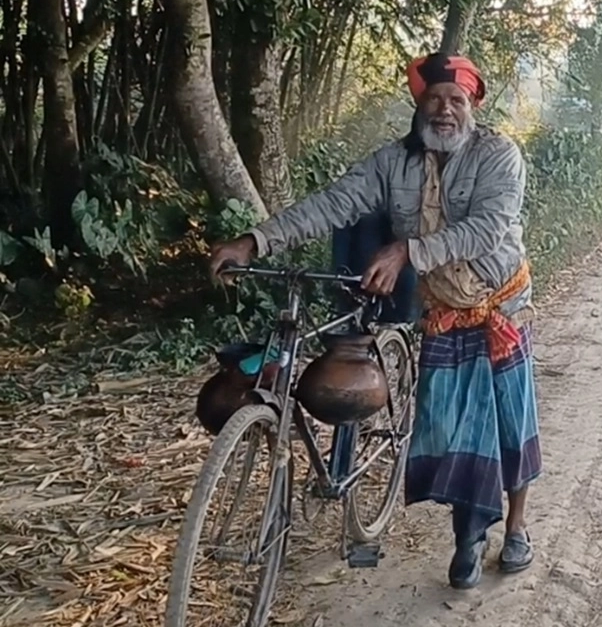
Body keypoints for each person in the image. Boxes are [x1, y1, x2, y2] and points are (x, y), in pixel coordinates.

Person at [208, 53, 541, 590]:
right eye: (434, 98)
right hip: (445, 313)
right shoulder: (392, 164)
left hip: (500, 306)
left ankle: (518, 525)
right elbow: (334, 203)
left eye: (456, 100)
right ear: (419, 104)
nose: (444, 110)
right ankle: (470, 536)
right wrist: (255, 241)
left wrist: (408, 251)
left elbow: (487, 229)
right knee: (453, 429)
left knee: (508, 421)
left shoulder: (499, 156)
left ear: (473, 106)